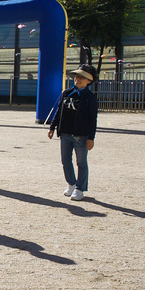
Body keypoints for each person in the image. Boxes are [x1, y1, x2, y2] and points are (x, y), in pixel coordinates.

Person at [46, 64, 98, 201]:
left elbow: (93, 119)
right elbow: (59, 111)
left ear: (89, 81)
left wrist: (91, 137)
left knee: (81, 162)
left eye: (82, 77)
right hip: (65, 133)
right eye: (77, 76)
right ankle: (71, 183)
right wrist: (52, 127)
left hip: (80, 135)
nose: (78, 79)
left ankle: (80, 188)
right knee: (65, 160)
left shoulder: (90, 98)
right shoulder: (67, 93)